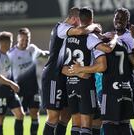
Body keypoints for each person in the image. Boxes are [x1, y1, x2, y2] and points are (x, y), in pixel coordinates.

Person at [41, 7, 102, 135]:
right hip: (54, 75)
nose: (80, 24)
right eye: (79, 21)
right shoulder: (61, 28)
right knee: (53, 116)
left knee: (66, 116)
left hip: (65, 75)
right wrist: (94, 26)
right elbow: (81, 31)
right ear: (74, 19)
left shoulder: (69, 32)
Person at [61, 7, 119, 135]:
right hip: (85, 85)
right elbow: (103, 64)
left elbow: (61, 65)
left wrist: (74, 71)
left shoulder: (67, 38)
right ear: (92, 19)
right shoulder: (91, 38)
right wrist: (114, 37)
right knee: (87, 125)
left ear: (79, 19)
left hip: (70, 84)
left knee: (78, 123)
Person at [100, 8, 134, 135]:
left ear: (127, 21)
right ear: (113, 19)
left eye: (122, 18)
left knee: (123, 120)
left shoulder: (129, 36)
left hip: (126, 83)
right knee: (111, 120)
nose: (119, 20)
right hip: (109, 84)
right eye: (117, 18)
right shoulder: (108, 36)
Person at [7, 28, 49, 135]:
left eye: (27, 39)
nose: (25, 42)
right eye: (23, 40)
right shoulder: (11, 54)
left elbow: (43, 54)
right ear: (18, 39)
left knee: (35, 113)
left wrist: (54, 53)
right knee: (20, 115)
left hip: (33, 88)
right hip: (19, 89)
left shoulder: (32, 49)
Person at [0, 31, 24, 135]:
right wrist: (11, 84)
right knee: (0, 117)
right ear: (4, 43)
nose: (11, 44)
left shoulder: (7, 55)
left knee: (20, 114)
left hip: (9, 90)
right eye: (10, 42)